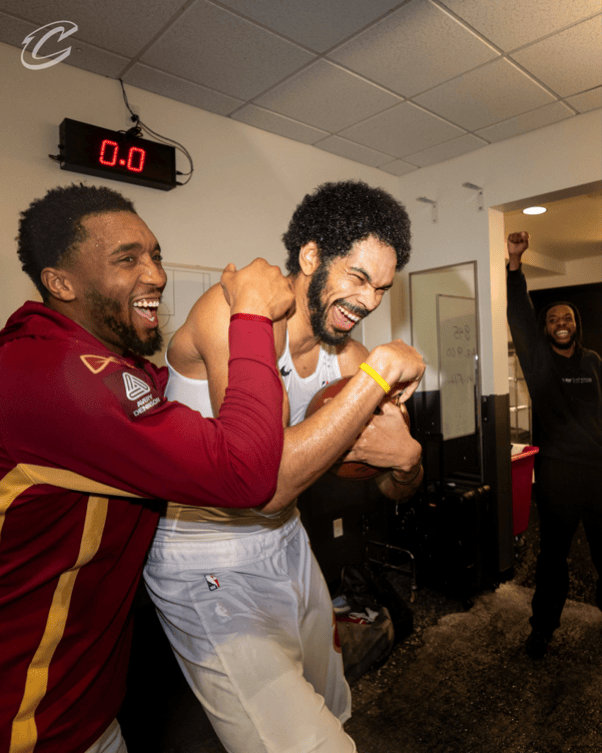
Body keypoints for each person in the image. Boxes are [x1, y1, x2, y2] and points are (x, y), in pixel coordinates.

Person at [0, 183, 297, 753]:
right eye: (127, 259)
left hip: (81, 710)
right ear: (60, 283)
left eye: (155, 255)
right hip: (31, 726)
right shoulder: (56, 376)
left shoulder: (95, 366)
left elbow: (166, 415)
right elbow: (247, 473)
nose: (156, 274)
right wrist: (251, 315)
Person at [143, 180, 425, 752]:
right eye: (358, 278)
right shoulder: (234, 314)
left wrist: (408, 461)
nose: (370, 301)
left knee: (331, 705)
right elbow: (261, 483)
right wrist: (379, 375)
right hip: (204, 554)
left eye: (381, 288)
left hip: (288, 541)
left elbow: (395, 488)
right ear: (311, 256)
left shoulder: (348, 357)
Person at [506, 231, 602, 659]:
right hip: (558, 478)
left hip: (597, 475)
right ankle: (542, 631)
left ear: (576, 324)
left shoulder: (593, 362)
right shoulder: (539, 364)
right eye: (553, 320)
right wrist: (515, 265)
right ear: (546, 329)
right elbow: (519, 317)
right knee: (552, 560)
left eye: (567, 318)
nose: (561, 323)